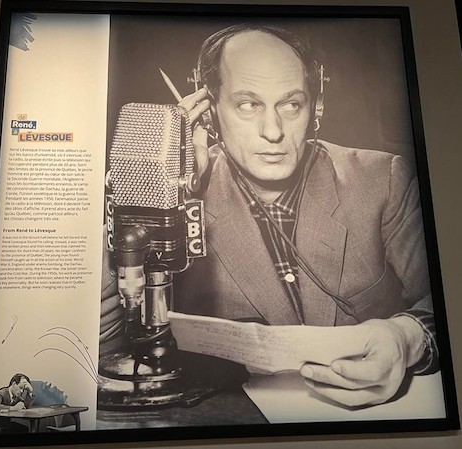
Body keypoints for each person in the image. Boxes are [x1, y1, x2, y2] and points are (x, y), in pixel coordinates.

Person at [169, 24, 438, 408]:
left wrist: (407, 338)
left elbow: (444, 302)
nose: (274, 131)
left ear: (315, 106)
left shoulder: (382, 180)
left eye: (290, 104)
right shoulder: (181, 195)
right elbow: (106, 341)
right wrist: (162, 190)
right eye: (248, 104)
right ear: (210, 112)